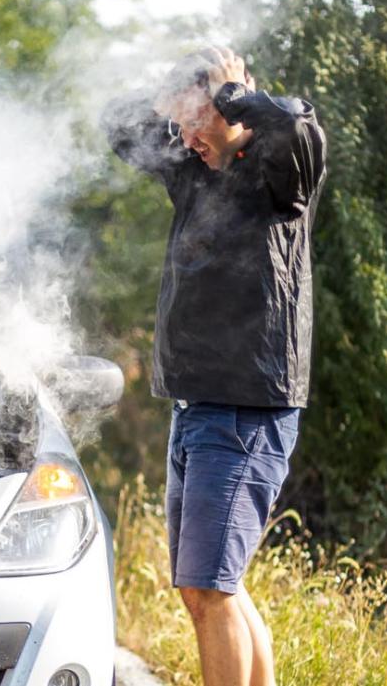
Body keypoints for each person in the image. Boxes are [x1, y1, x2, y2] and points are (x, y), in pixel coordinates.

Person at [101, 46, 327, 686]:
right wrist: (170, 98)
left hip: (245, 408)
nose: (184, 137)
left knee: (209, 589)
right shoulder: (194, 170)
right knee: (211, 589)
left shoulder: (280, 171)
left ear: (229, 102)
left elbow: (295, 124)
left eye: (193, 121)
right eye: (176, 124)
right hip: (201, 406)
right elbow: (116, 125)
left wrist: (229, 94)